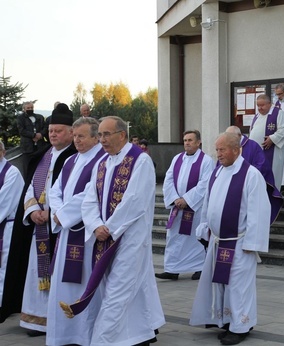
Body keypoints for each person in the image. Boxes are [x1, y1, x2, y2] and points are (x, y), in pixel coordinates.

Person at [78, 116, 164, 345]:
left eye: (106, 135)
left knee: (117, 291)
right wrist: (96, 225)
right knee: (124, 290)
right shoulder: (102, 163)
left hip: (130, 239)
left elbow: (135, 200)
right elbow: (89, 200)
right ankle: (139, 333)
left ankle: (101, 341)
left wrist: (110, 228)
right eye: (100, 135)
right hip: (104, 236)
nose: (102, 140)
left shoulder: (140, 161)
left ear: (122, 135)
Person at [190, 132, 270, 346]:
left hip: (240, 242)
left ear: (236, 149)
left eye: (222, 149)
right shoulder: (217, 173)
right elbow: (209, 203)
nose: (218, 154)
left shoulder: (251, 175)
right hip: (218, 241)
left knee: (238, 286)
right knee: (221, 284)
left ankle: (241, 325)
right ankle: (226, 320)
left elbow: (259, 211)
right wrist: (205, 226)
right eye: (216, 150)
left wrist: (251, 244)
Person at [20, 103, 77, 336]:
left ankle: (55, 319)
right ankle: (35, 320)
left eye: (58, 130)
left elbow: (74, 192)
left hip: (61, 227)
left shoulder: (74, 156)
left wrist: (50, 212)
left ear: (71, 132)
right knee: (36, 271)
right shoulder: (42, 155)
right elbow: (31, 186)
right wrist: (32, 210)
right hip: (40, 226)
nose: (53, 134)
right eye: (51, 130)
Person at [46, 117, 105, 346]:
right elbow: (55, 190)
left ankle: (84, 335)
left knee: (85, 283)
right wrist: (59, 212)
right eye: (75, 135)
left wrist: (64, 215)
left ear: (95, 136)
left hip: (87, 236)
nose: (76, 140)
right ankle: (63, 334)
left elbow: (91, 194)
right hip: (67, 232)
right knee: (63, 285)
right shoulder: (70, 160)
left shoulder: (102, 161)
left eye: (81, 136)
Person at [156, 130, 213, 281]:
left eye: (190, 140)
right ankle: (172, 269)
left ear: (198, 142)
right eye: (185, 140)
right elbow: (168, 179)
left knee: (195, 237)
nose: (187, 143)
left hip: (195, 207)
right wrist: (175, 199)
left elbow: (205, 184)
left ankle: (199, 268)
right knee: (174, 237)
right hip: (177, 207)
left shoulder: (206, 161)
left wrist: (187, 199)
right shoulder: (177, 158)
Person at [225, 126, 282, 224]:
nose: (228, 140)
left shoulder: (252, 146)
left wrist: (243, 179)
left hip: (249, 189)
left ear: (239, 135)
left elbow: (261, 166)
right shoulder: (227, 147)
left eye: (230, 137)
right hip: (230, 190)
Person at [0, 140, 24, 320]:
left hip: (6, 226)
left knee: (3, 267)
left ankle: (2, 304)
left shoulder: (12, 173)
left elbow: (4, 202)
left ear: (2, 152)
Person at [249, 94, 284, 191]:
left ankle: (273, 200)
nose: (260, 108)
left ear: (269, 104)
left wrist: (272, 138)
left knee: (272, 177)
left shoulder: (278, 113)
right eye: (258, 105)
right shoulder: (256, 116)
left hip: (273, 154)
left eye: (262, 105)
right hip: (257, 155)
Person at [17, 101, 47, 179]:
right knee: (27, 169)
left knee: (40, 167)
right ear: (24, 109)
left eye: (31, 108)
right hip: (27, 148)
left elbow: (45, 128)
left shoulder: (39, 117)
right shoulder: (20, 118)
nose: (30, 109)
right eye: (28, 108)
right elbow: (22, 131)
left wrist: (40, 134)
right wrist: (33, 135)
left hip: (39, 147)